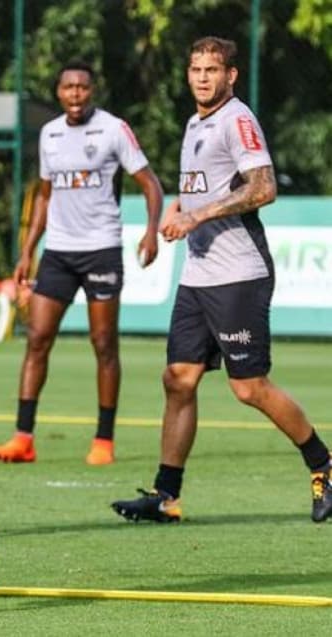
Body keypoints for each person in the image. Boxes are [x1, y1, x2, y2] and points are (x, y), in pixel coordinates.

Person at [111, 36, 332, 523]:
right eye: (195, 69)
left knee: (249, 388)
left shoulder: (237, 119)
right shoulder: (195, 122)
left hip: (239, 274)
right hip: (198, 275)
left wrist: (199, 217)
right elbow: (201, 187)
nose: (203, 77)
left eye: (213, 69)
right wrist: (176, 211)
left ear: (231, 75)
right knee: (179, 379)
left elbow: (263, 187)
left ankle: (323, 464)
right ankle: (166, 497)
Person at [0, 61, 163, 466]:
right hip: (59, 253)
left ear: (92, 90)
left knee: (103, 344)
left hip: (101, 248)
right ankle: (23, 437)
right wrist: (28, 251)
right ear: (58, 91)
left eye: (82, 87)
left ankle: (104, 439)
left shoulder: (113, 129)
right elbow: (45, 197)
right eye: (68, 87)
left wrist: (151, 230)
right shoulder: (49, 134)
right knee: (37, 338)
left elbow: (150, 183)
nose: (75, 94)